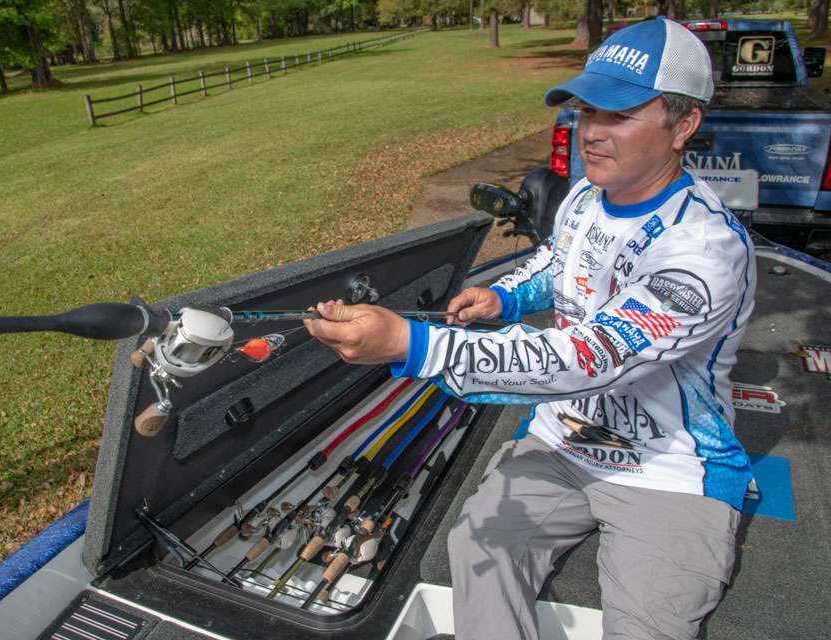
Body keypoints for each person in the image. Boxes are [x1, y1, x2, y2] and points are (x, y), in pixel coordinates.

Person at [305, 17, 756, 640]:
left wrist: (413, 344)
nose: (590, 132)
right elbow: (556, 262)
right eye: (586, 110)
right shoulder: (583, 197)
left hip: (671, 470)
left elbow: (590, 355)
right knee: (475, 548)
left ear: (684, 125)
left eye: (618, 116)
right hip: (561, 442)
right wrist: (504, 297)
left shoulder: (705, 250)